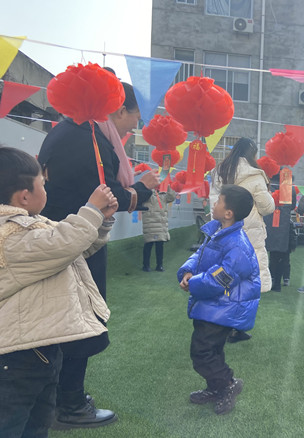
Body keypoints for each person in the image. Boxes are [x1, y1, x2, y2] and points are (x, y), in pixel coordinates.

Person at [37, 80, 159, 428]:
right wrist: (142, 189)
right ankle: (70, 405)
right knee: (79, 322)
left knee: (63, 322)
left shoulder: (68, 132)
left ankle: (58, 399)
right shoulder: (87, 139)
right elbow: (105, 195)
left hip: (62, 242)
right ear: (118, 108)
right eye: (135, 117)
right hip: (75, 246)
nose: (134, 126)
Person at [0, 147, 117, 437]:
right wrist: (91, 210)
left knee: (37, 422)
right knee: (10, 423)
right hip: (16, 358)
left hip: (39, 348)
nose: (46, 189)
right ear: (24, 196)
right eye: (43, 184)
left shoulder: (32, 228)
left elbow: (72, 249)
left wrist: (100, 221)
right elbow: (64, 243)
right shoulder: (9, 236)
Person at [177, 185, 260, 415]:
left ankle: (228, 384)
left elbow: (222, 278)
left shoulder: (237, 245)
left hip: (224, 308)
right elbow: (200, 255)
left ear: (228, 213)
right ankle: (215, 387)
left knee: (201, 352)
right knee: (212, 350)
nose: (214, 204)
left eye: (219, 201)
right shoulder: (218, 232)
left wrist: (193, 284)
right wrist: (188, 270)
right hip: (214, 306)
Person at [210, 138, 274, 343]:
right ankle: (237, 328)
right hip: (250, 236)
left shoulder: (219, 172)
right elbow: (267, 207)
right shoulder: (255, 175)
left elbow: (213, 206)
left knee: (225, 279)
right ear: (251, 154)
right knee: (246, 284)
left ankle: (222, 326)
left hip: (225, 233)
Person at [264, 184, 297, 292]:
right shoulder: (289, 187)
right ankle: (278, 281)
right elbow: (292, 206)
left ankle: (270, 279)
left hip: (269, 222)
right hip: (283, 223)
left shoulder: (267, 185)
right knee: (281, 255)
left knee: (270, 254)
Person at [142, 186, 177, 272]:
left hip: (161, 224)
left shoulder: (163, 196)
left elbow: (171, 197)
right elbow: (143, 196)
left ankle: (159, 265)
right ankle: (146, 265)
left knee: (159, 245)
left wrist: (170, 186)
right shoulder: (148, 194)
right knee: (148, 244)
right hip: (150, 223)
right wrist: (151, 187)